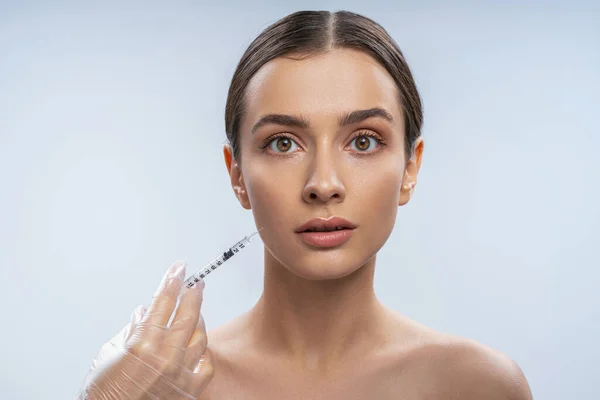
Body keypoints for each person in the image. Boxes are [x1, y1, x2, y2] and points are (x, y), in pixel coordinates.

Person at [77, 10, 533, 400]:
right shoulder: (167, 386)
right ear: (236, 175)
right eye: (282, 143)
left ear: (409, 168)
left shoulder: (476, 386)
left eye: (363, 141)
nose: (323, 184)